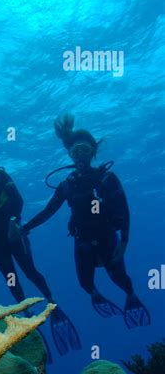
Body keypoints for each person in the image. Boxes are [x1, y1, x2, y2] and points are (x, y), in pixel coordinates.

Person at [22, 115, 150, 329]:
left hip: (108, 236)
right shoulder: (67, 185)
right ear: (70, 154)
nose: (80, 154)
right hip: (82, 239)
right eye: (75, 150)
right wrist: (24, 228)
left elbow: (124, 210)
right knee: (84, 284)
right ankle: (96, 295)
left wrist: (124, 242)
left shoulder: (107, 178)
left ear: (93, 152)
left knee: (118, 277)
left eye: (85, 149)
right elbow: (48, 211)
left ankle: (131, 296)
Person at [0, 144, 80, 357]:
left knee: (30, 270)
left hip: (13, 235)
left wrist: (14, 221)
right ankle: (26, 311)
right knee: (10, 277)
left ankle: (51, 302)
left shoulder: (0, 175)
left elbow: (18, 200)